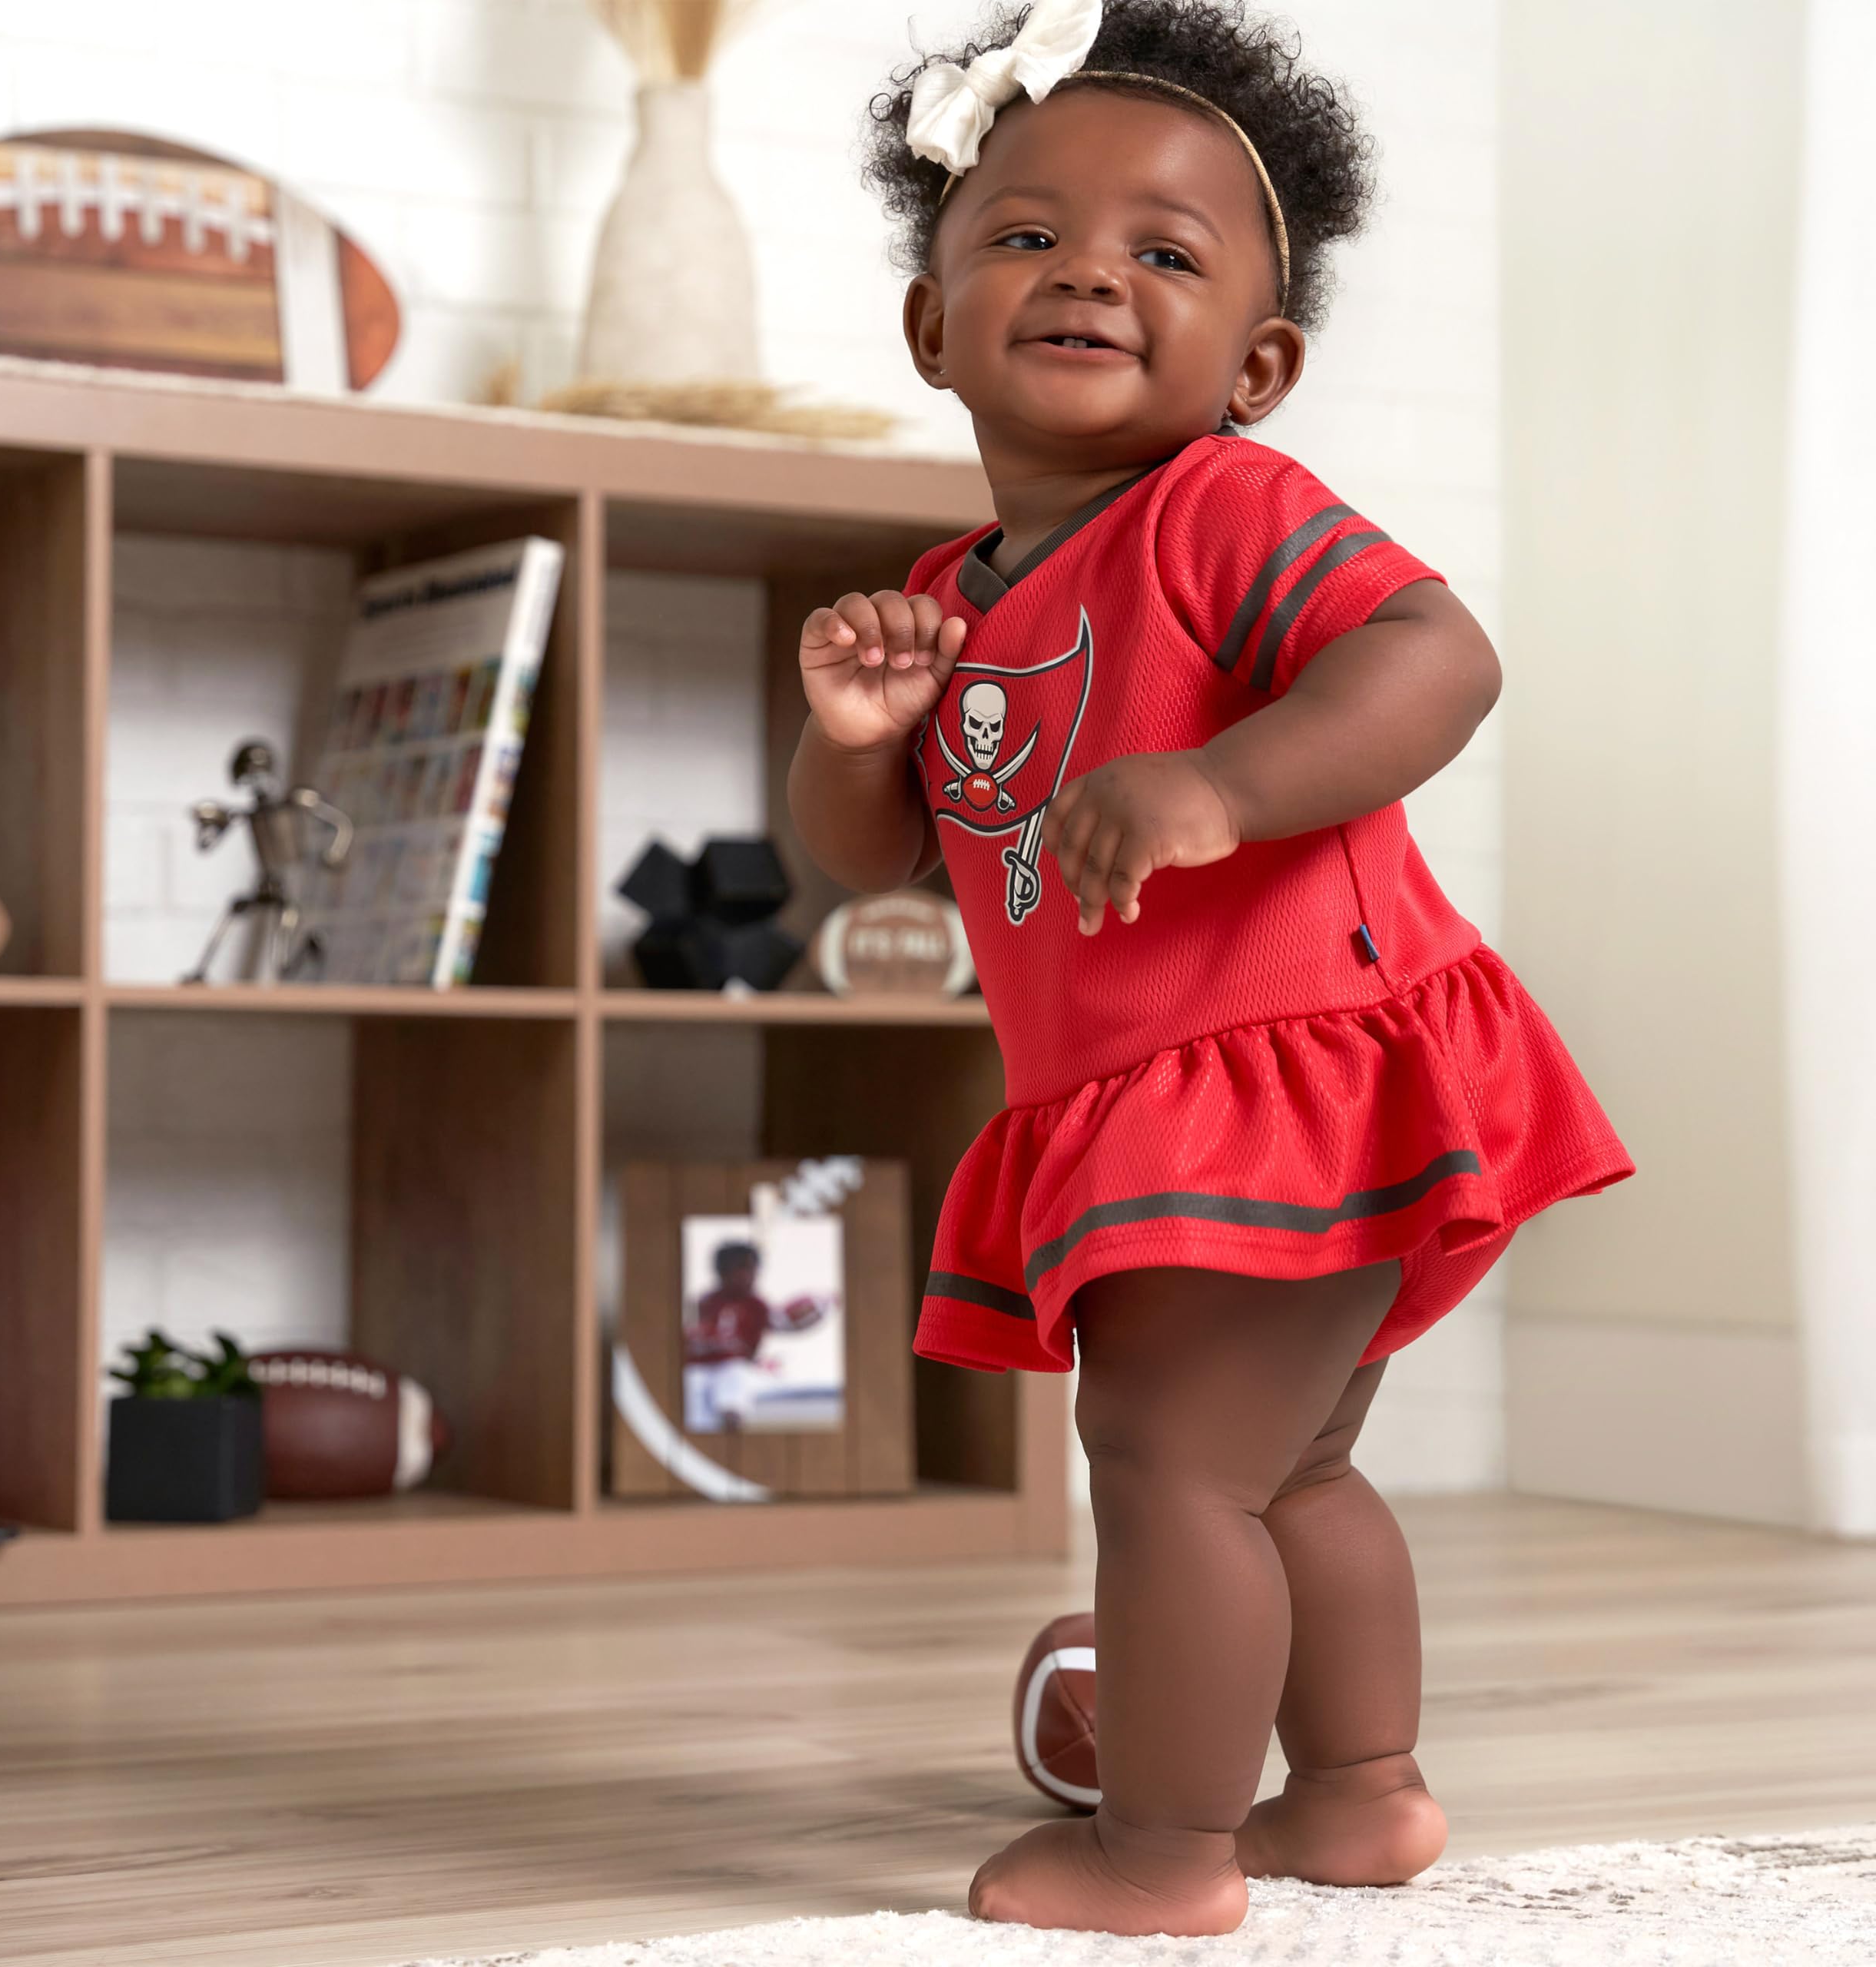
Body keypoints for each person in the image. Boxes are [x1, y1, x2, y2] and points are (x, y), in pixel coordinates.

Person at [786, 0, 1635, 1940]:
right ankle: (1356, 1792)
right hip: (1190, 1086)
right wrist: (852, 738)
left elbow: (1433, 655)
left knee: (1167, 1462)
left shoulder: (1219, 510)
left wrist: (1216, 784)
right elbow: (867, 860)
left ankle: (1156, 1847)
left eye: (1162, 252)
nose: (1089, 269)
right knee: (1284, 1463)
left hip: (1274, 1065)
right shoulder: (942, 601)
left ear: (1256, 366)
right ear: (929, 326)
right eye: (1024, 234)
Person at [683, 1241, 825, 1433]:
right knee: (693, 1388)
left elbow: (786, 1322)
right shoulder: (703, 1303)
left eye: (752, 1269)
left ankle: (732, 1423)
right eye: (741, 1269)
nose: (749, 1275)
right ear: (722, 1272)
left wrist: (819, 1307)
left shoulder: (757, 1306)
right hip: (700, 1369)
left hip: (734, 1370)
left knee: (735, 1375)